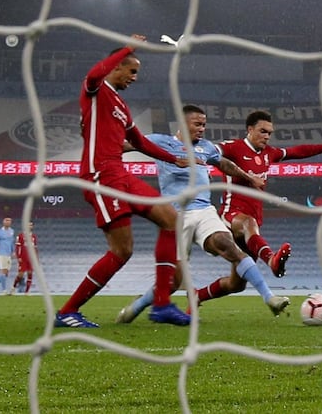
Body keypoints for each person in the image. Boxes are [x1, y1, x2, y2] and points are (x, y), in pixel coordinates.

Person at [55, 34, 192, 328]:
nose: (134, 77)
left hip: (121, 173)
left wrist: (173, 159)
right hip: (100, 175)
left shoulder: (121, 106)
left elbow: (139, 141)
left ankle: (162, 304)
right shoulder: (95, 91)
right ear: (116, 67)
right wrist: (128, 47)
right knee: (122, 250)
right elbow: (93, 74)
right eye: (132, 71)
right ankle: (68, 311)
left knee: (171, 219)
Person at [115, 105, 291, 323]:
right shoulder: (160, 142)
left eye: (204, 125)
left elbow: (224, 163)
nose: (202, 129)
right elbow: (125, 144)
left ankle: (270, 298)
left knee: (228, 245)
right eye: (197, 124)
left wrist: (249, 177)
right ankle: (137, 306)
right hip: (176, 217)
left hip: (204, 210)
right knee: (172, 281)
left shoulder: (206, 147)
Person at [214, 110, 322, 282]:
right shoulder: (234, 147)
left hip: (254, 223)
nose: (267, 136)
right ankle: (272, 260)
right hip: (232, 214)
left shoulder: (269, 153)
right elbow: (211, 150)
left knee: (236, 284)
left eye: (269, 133)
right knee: (247, 223)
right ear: (250, 129)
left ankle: (198, 295)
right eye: (263, 131)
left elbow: (298, 151)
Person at [11, 221, 39, 295]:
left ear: (32, 227)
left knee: (30, 273)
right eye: (28, 225)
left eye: (31, 225)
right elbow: (17, 247)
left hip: (31, 259)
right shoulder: (20, 236)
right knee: (20, 274)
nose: (29, 226)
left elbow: (35, 248)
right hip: (23, 258)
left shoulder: (34, 236)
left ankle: (27, 292)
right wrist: (18, 256)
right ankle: (13, 288)